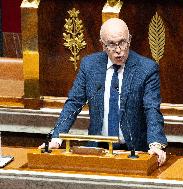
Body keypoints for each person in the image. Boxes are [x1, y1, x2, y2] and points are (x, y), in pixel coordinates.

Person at [39, 18, 167, 166]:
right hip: (97, 149)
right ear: (103, 45)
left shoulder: (146, 69)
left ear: (129, 40)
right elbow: (74, 103)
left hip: (134, 151)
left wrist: (155, 144)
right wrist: (56, 138)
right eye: (112, 45)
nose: (119, 50)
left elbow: (152, 109)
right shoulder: (89, 65)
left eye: (122, 42)